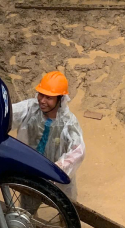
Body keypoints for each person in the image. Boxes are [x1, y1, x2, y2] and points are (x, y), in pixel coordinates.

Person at [11, 71, 86, 200]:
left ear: (60, 99)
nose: (42, 101)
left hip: (57, 174)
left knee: (66, 204)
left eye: (49, 97)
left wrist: (59, 168)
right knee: (27, 205)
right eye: (41, 94)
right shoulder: (30, 109)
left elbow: (78, 151)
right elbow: (8, 114)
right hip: (32, 170)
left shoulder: (68, 123)